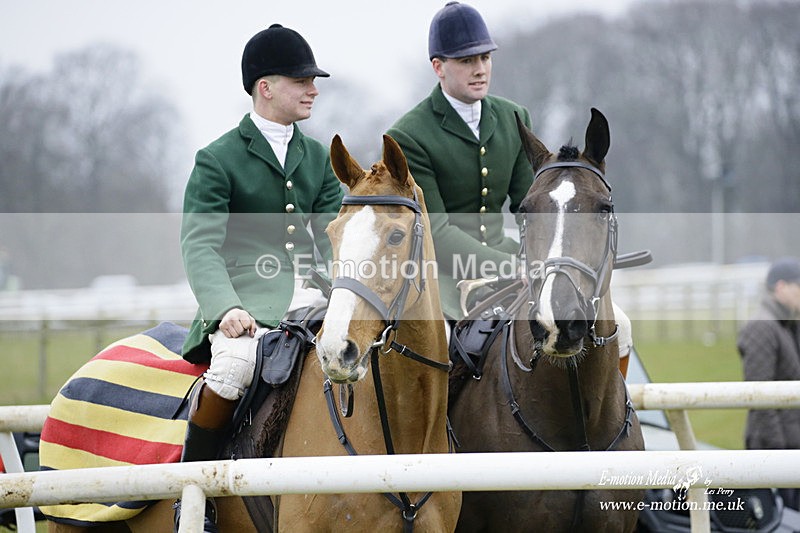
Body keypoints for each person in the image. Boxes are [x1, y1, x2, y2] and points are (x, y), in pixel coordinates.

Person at [386, 1, 634, 368]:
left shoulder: (512, 116)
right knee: (439, 343)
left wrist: (551, 259)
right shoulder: (409, 134)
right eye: (467, 61)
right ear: (438, 67)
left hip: (515, 257)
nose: (480, 69)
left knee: (621, 327)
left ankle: (612, 420)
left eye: (485, 58)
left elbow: (530, 205)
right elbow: (435, 229)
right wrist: (507, 266)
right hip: (445, 274)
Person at [177, 24, 343, 531]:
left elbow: (338, 232)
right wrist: (224, 308)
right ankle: (194, 494)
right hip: (244, 306)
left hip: (315, 297)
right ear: (264, 87)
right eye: (301, 80)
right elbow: (199, 245)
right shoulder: (218, 158)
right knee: (230, 375)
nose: (313, 88)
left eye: (313, 80)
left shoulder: (318, 157)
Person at [738, 257, 800, 510]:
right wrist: (778, 454)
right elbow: (759, 396)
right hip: (776, 449)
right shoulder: (763, 327)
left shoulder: (784, 325)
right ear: (781, 288)